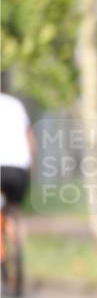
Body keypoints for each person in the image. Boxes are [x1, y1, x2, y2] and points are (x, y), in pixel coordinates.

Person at [0, 84, 34, 271]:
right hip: (19, 167)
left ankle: (2, 256)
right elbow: (29, 137)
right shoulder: (16, 104)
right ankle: (18, 246)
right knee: (15, 210)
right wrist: (31, 166)